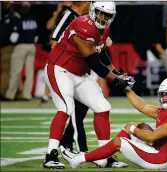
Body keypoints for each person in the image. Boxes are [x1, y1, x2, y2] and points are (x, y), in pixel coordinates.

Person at [42, 2, 135, 169]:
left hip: (79, 73)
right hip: (59, 69)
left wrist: (117, 72)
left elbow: (101, 52)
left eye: (107, 15)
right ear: (93, 11)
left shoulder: (104, 29)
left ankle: (104, 156)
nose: (103, 18)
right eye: (100, 13)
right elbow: (94, 63)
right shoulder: (81, 24)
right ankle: (51, 154)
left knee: (102, 106)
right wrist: (116, 80)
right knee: (66, 108)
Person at [61, 77, 167, 169]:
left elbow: (152, 137)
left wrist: (134, 130)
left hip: (161, 159)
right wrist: (127, 89)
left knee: (120, 141)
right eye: (163, 94)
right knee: (135, 126)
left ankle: (79, 159)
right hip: (158, 151)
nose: (164, 98)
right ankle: (103, 157)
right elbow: (143, 106)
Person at [4, 2, 38, 101]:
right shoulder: (33, 20)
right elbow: (36, 37)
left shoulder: (19, 19)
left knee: (15, 71)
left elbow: (13, 38)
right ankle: (27, 95)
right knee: (29, 72)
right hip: (32, 46)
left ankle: (10, 95)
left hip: (21, 46)